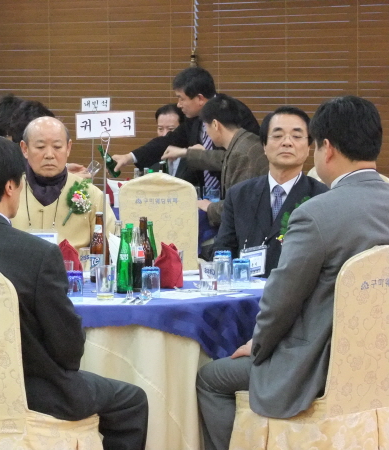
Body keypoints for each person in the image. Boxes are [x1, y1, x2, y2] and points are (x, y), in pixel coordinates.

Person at [0, 134, 148, 450]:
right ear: (11, 186)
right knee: (132, 400)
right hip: (34, 391)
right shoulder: (38, 255)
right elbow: (68, 350)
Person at [196, 95, 389, 450]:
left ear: (326, 149)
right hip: (378, 365)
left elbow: (281, 302)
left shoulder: (316, 214)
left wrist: (257, 345)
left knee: (211, 378)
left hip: (318, 366)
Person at [213, 106, 328, 277]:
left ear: (308, 148)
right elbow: (223, 250)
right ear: (264, 146)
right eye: (278, 136)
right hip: (245, 289)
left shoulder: (322, 197)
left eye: (296, 136)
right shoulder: (239, 195)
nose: (287, 142)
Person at [112, 67, 260, 191]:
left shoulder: (234, 112)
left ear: (200, 98)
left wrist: (193, 154)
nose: (178, 104)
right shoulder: (194, 117)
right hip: (207, 195)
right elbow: (169, 141)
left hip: (238, 192)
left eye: (181, 98)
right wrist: (129, 157)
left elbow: (239, 158)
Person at [10, 116, 114, 250]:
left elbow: (109, 248)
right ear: (25, 149)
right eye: (40, 147)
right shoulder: (9, 191)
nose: (49, 155)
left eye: (57, 147)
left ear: (68, 148)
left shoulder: (91, 194)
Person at [165, 94, 268, 226]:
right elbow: (220, 158)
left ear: (215, 125)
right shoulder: (245, 142)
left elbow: (239, 207)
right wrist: (187, 153)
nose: (207, 133)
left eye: (206, 127)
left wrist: (209, 207)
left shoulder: (242, 153)